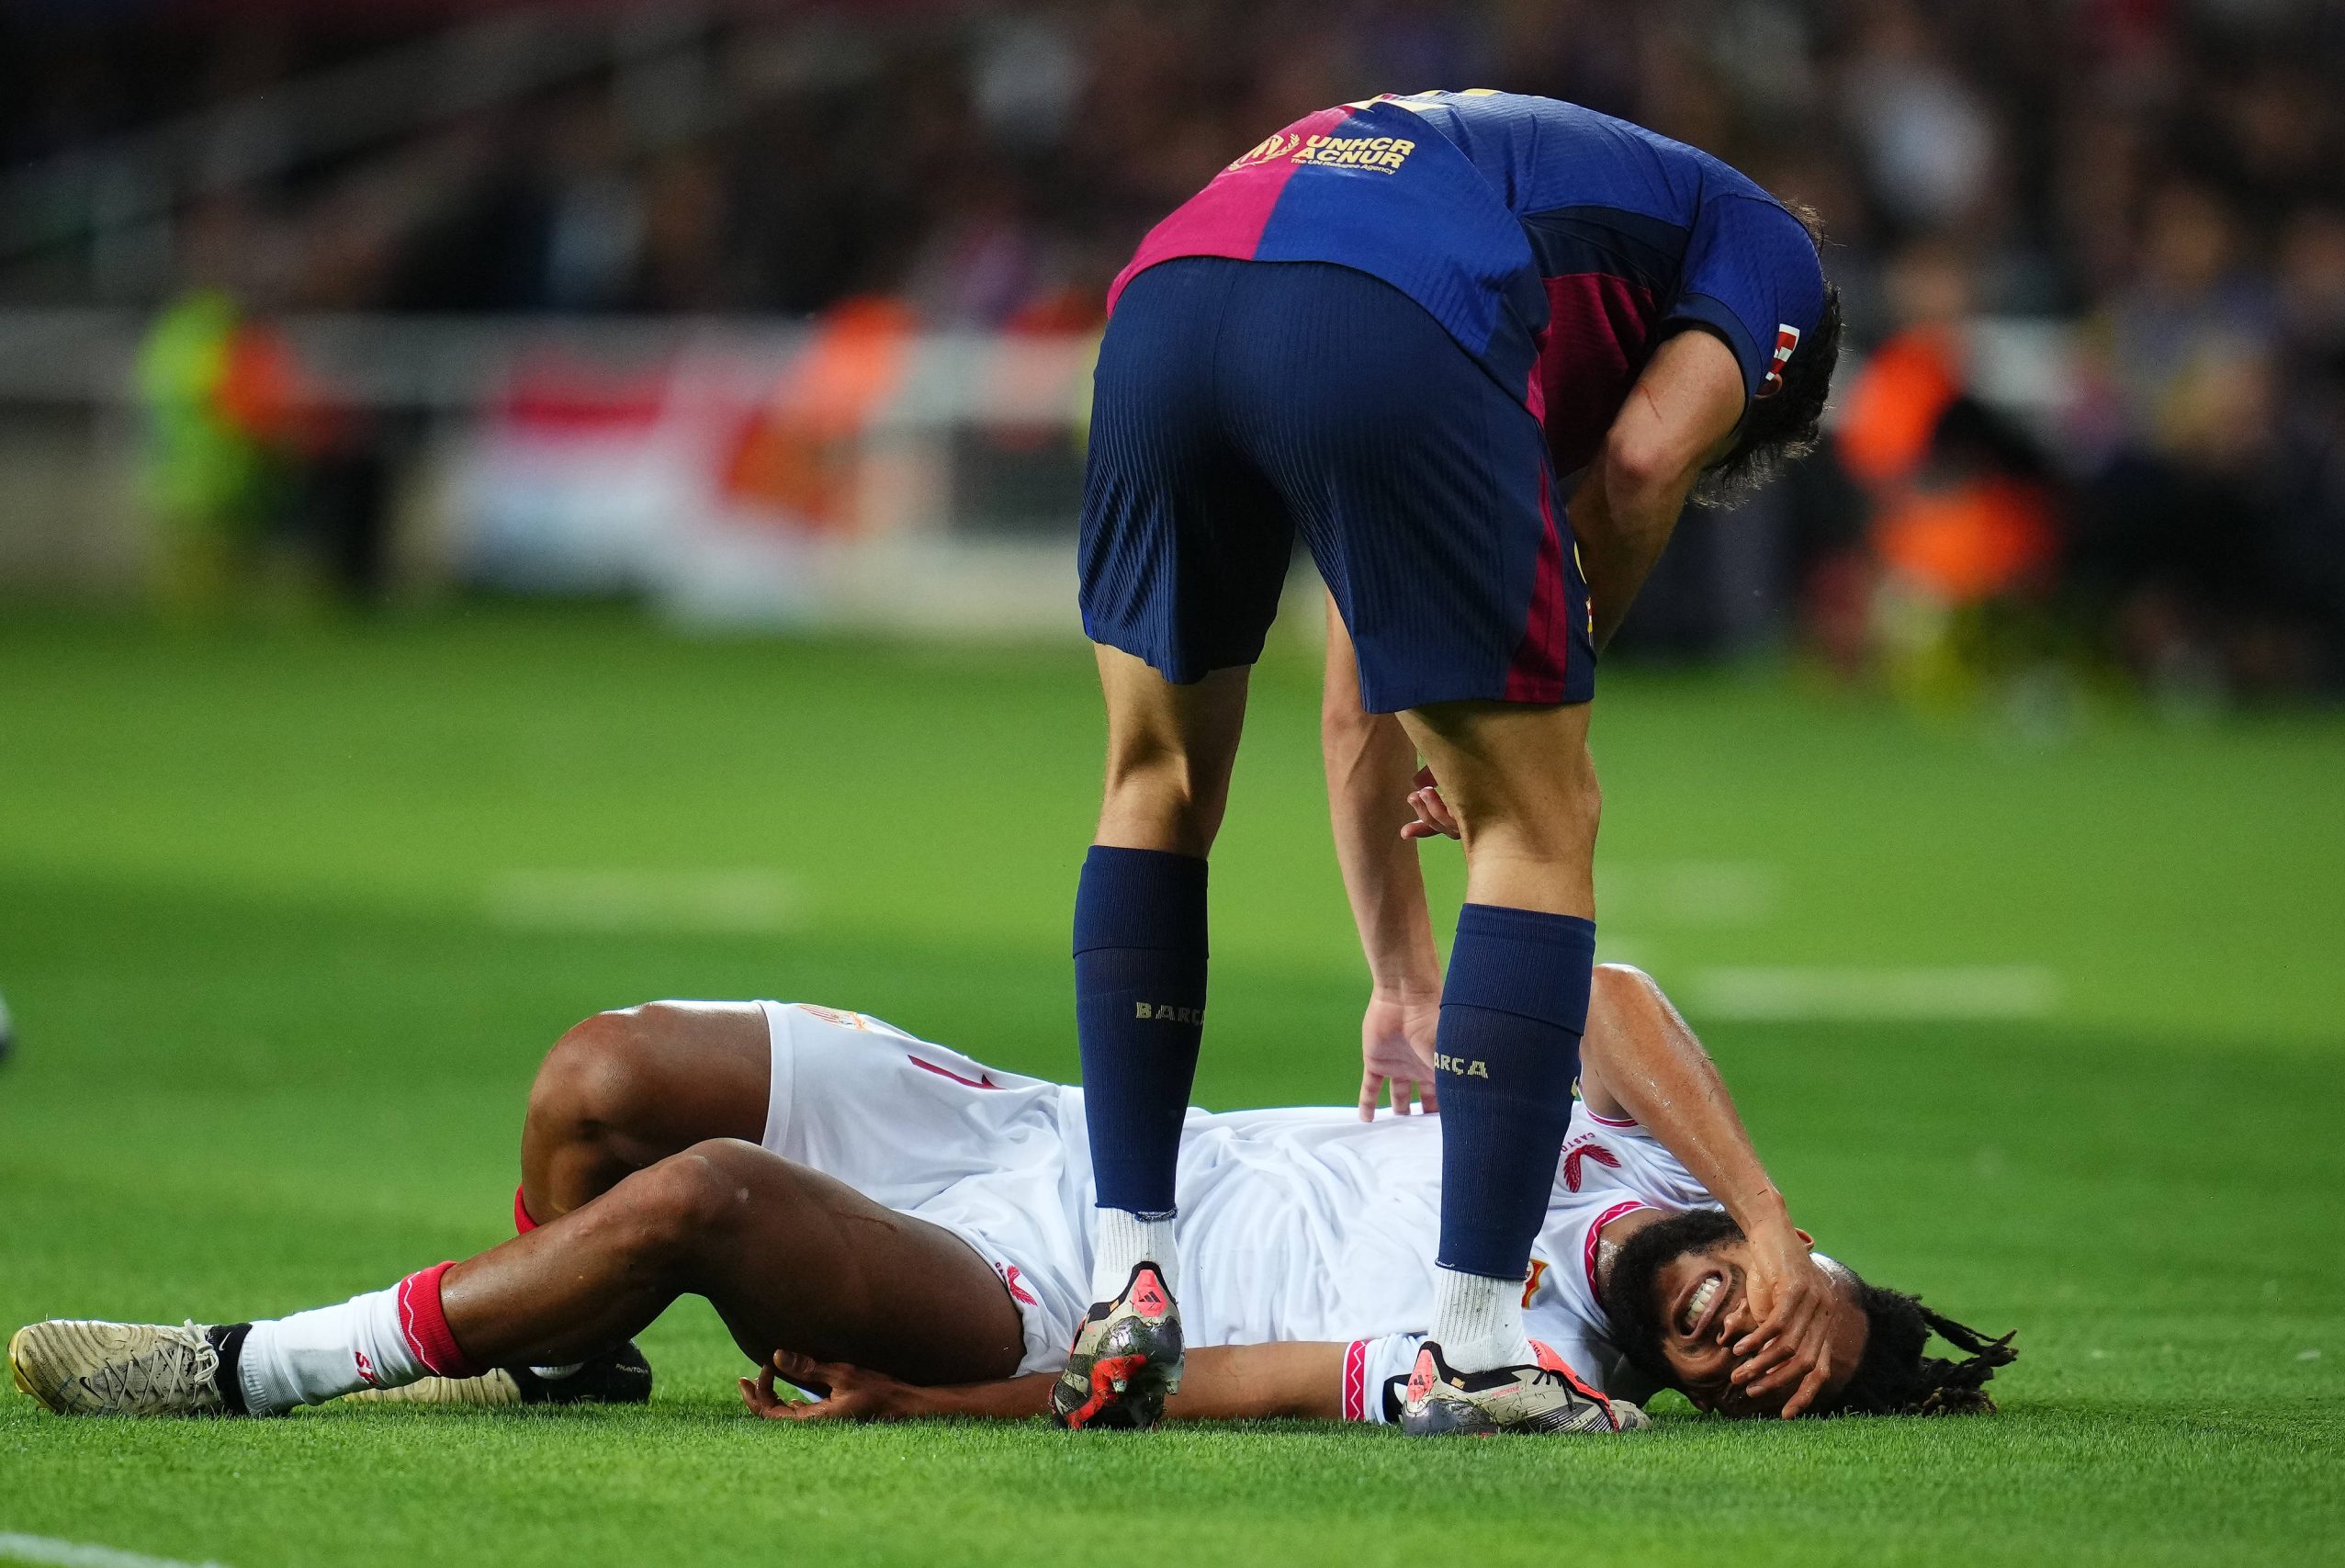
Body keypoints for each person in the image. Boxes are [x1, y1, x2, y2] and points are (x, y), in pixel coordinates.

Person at [1065, 87, 1843, 1433]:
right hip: (1384, 303)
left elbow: (1361, 672)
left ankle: (1128, 1271)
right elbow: (1651, 459)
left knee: (1156, 782)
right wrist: (1565, 670)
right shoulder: (1770, 248)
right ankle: (1476, 1344)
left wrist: (1402, 975)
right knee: (1541, 821)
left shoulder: (1542, 213)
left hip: (1170, 291)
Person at [11, 968, 2009, 1427]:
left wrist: (940, 1401)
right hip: (1067, 1128)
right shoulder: (1660, 1160)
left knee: (708, 1187)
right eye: (1798, 1331)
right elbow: (1581, 976)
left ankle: (255, 1363)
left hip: (1049, 1280)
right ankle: (563, 1359)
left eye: (1752, 1393)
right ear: (1828, 1278)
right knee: (601, 1071)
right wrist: (1759, 1204)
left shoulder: (1539, 1368)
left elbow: (1238, 1380)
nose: (1748, 1351)